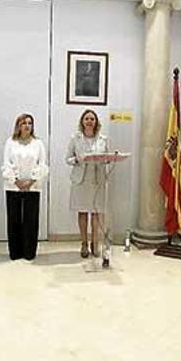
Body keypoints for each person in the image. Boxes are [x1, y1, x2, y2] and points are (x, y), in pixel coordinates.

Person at [2, 113, 48, 260]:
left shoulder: (38, 143)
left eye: (29, 123)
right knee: (13, 219)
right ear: (18, 126)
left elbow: (42, 165)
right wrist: (16, 180)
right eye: (24, 123)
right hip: (13, 186)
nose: (27, 126)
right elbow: (6, 164)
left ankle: (29, 252)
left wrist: (31, 181)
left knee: (31, 220)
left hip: (32, 187)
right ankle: (15, 252)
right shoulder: (10, 142)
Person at [65, 109, 109, 261]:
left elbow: (106, 157)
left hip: (97, 179)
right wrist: (78, 159)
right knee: (82, 212)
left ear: (96, 122)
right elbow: (68, 159)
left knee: (96, 213)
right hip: (81, 180)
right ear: (82, 122)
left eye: (92, 119)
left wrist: (108, 158)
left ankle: (94, 242)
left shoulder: (103, 139)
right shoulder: (75, 138)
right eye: (86, 118)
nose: (89, 121)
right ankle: (84, 243)